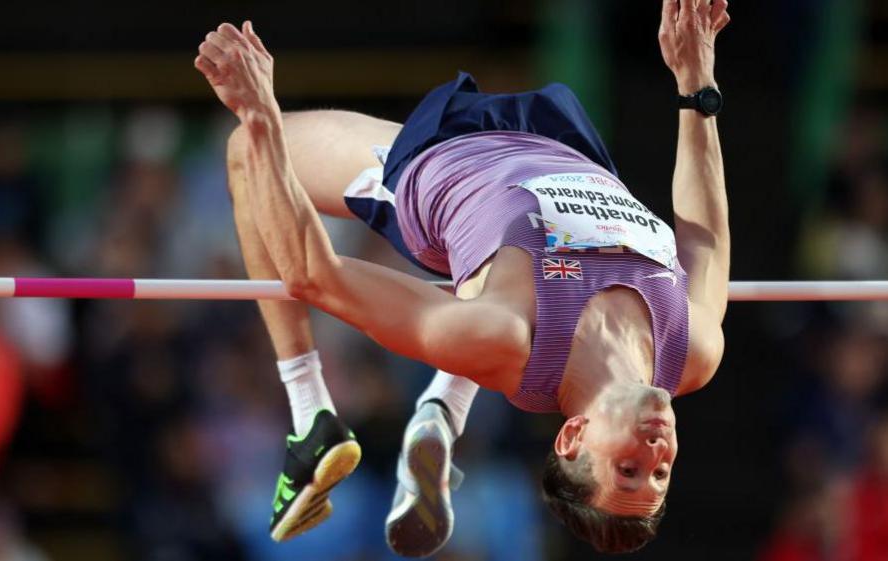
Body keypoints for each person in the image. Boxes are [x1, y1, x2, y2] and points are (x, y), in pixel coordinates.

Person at [194, 0, 730, 554]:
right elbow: (703, 232)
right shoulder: (690, 347)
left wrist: (258, 116)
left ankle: (311, 415)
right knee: (486, 284)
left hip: (441, 156)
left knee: (246, 154)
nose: (655, 458)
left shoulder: (506, 333)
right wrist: (696, 86)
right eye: (660, 478)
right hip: (564, 144)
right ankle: (445, 406)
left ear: (573, 437)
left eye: (627, 471)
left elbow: (313, 274)